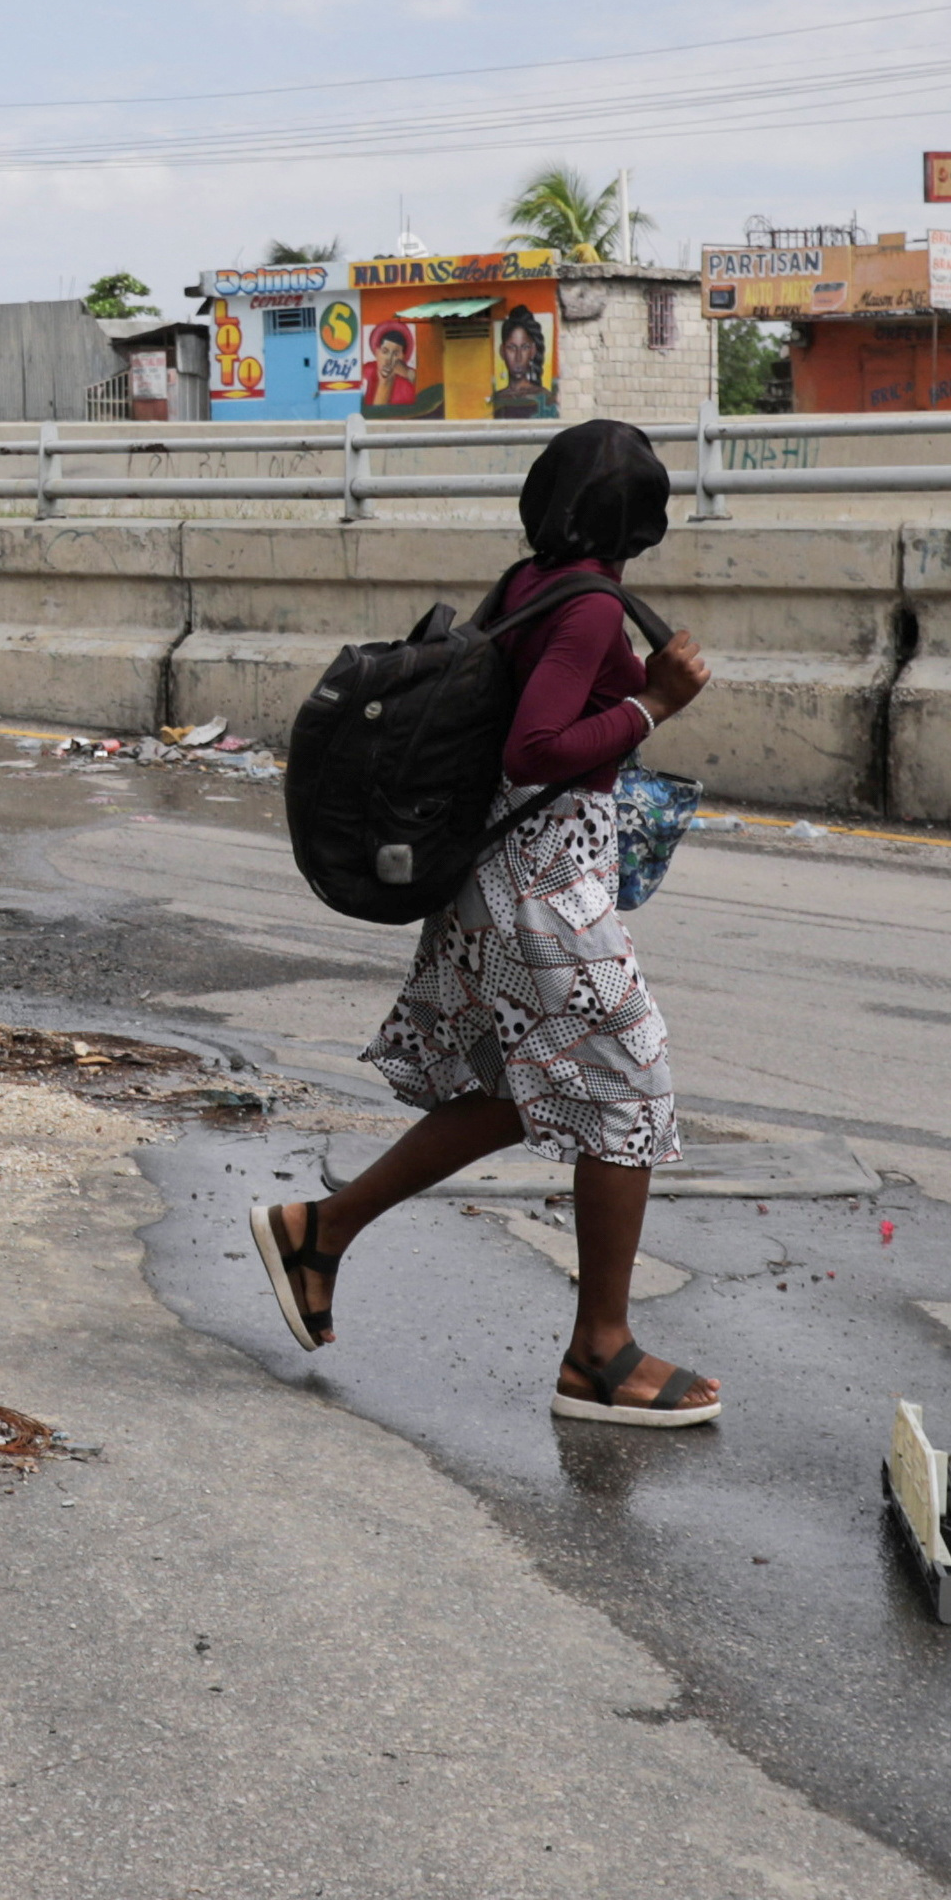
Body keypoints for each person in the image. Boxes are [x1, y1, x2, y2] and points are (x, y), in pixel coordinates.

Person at [251, 417, 723, 1424]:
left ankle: (317, 1231)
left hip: (501, 876)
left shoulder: (529, 583)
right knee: (630, 1082)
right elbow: (538, 745)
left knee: (523, 1088)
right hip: (537, 886)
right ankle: (599, 1353)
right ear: (641, 519)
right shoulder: (590, 605)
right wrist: (656, 707)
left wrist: (633, 699)